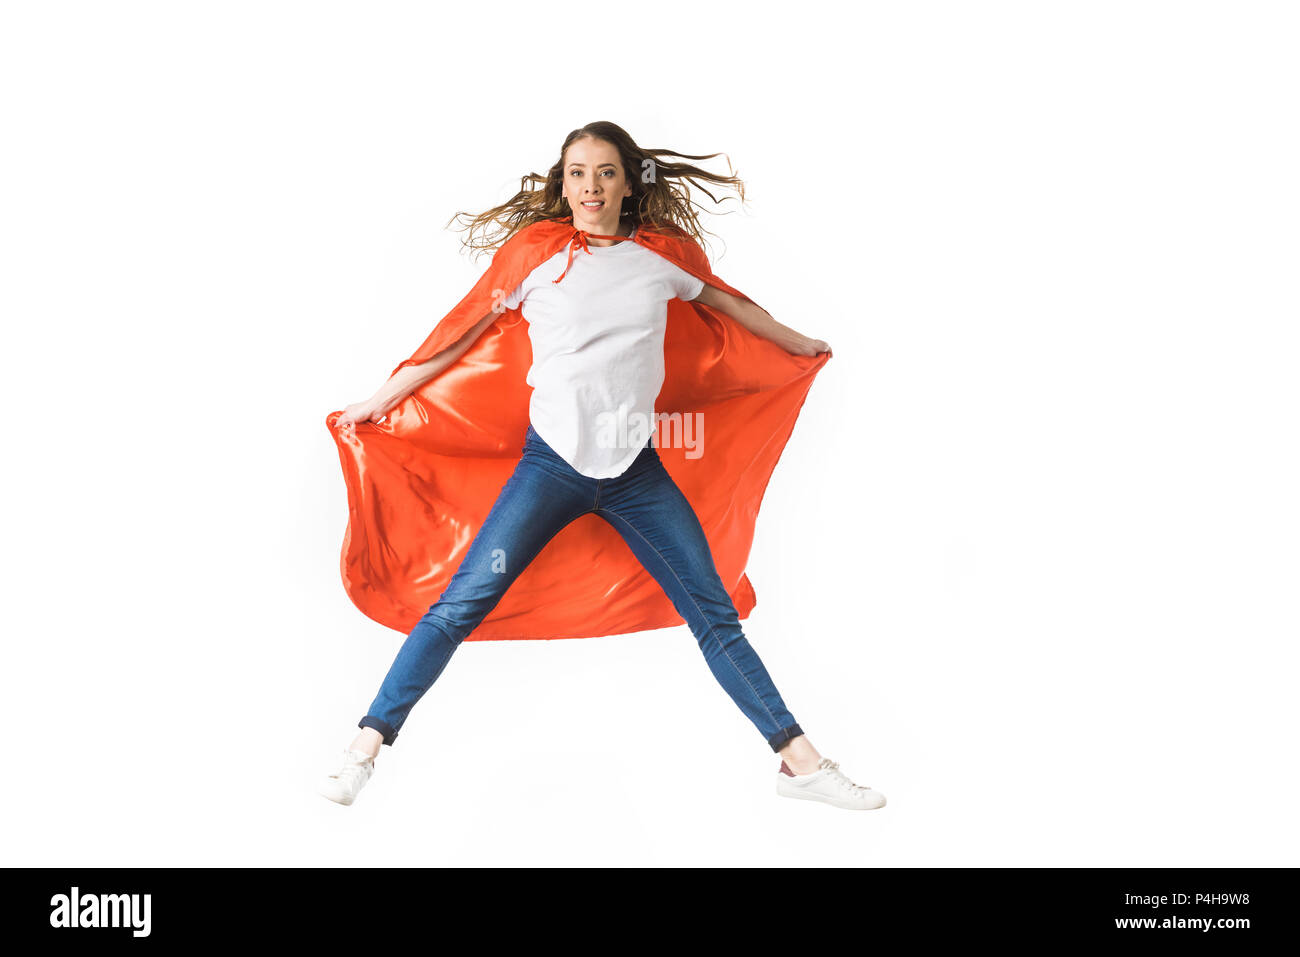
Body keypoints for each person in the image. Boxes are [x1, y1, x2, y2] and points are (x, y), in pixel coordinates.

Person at [319, 122, 885, 811]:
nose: (590, 186)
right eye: (577, 173)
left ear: (629, 182)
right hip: (549, 468)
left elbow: (729, 303)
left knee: (713, 615)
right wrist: (380, 399)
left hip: (636, 476)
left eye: (606, 172)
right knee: (459, 605)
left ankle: (802, 764)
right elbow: (460, 331)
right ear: (563, 183)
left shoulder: (660, 260)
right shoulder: (535, 257)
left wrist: (804, 347)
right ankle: (364, 749)